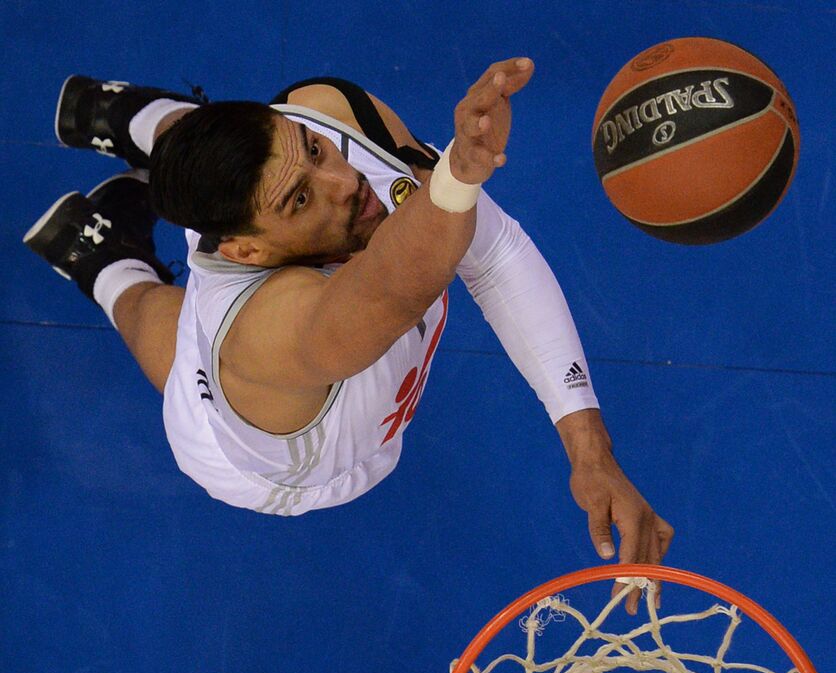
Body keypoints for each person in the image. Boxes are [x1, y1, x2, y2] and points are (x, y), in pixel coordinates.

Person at [25, 58, 673, 597]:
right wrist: (456, 174)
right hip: (274, 464)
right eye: (302, 199)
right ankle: (107, 264)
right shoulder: (272, 329)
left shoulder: (329, 114)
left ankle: (127, 114)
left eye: (313, 151)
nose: (345, 181)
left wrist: (590, 450)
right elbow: (394, 285)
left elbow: (495, 253)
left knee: (210, 140)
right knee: (162, 330)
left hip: (256, 203)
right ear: (242, 251)